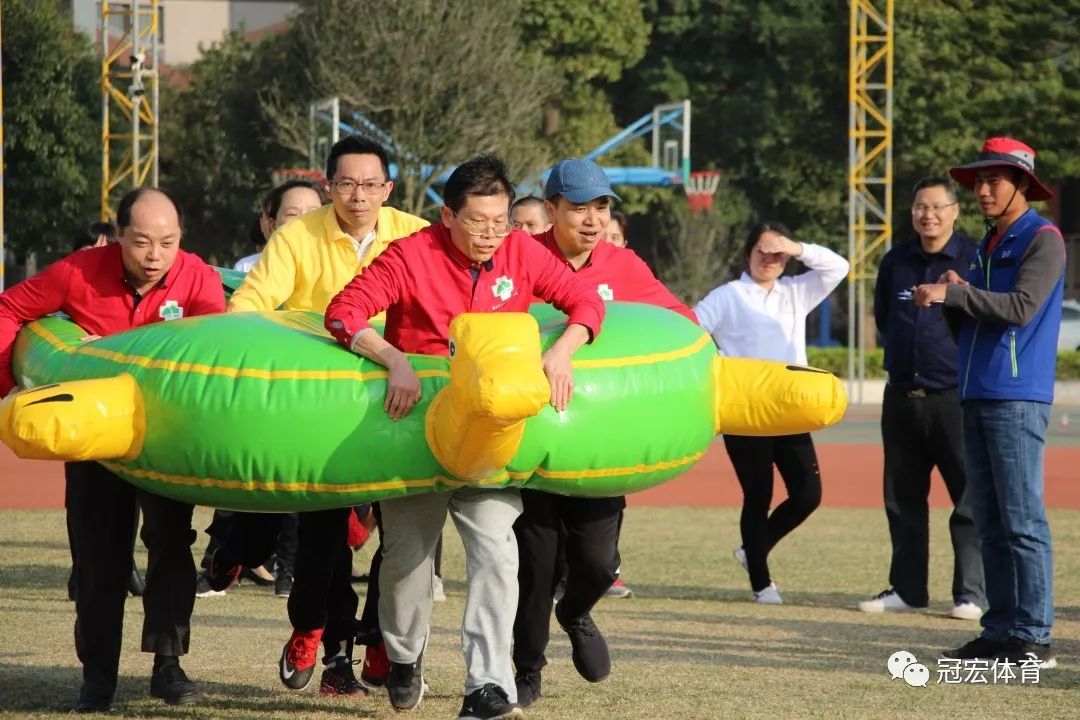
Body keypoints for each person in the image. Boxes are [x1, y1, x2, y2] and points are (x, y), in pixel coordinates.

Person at [324, 153, 606, 720]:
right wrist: (393, 359)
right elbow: (344, 312)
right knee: (407, 559)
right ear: (447, 215)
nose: (490, 235)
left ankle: (487, 684)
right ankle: (403, 657)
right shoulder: (411, 255)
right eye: (477, 221)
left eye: (500, 222)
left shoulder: (521, 251)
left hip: (491, 442)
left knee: (499, 553)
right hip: (418, 436)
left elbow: (585, 301)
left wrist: (561, 351)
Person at [213, 135, 427, 697]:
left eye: (371, 185)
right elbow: (247, 311)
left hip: (402, 403)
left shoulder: (415, 235)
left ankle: (382, 638)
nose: (359, 196)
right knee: (321, 536)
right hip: (319, 413)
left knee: (405, 534)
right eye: (346, 184)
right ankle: (313, 633)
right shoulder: (296, 238)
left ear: (389, 188)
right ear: (328, 185)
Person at [0, 188, 226, 712]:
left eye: (168, 242)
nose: (155, 255)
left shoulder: (198, 277)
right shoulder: (79, 270)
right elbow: (9, 307)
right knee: (100, 564)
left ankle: (168, 667)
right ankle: (96, 679)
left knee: (172, 548)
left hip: (166, 442)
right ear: (119, 234)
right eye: (142, 241)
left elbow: (215, 348)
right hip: (97, 440)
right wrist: (10, 380)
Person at [512, 158, 696, 709]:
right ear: (551, 210)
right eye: (578, 208)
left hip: (600, 449)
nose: (592, 220)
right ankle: (527, 670)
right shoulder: (521, 258)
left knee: (597, 564)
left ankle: (576, 611)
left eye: (601, 207)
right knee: (536, 567)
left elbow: (678, 320)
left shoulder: (623, 264)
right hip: (533, 444)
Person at [915, 137, 1063, 669]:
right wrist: (955, 293)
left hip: (1015, 396)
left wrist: (955, 294)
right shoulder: (988, 241)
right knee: (991, 521)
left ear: (1022, 184)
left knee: (1021, 519)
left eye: (993, 180)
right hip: (976, 391)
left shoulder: (1041, 238)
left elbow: (1021, 308)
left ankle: (1033, 637)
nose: (981, 190)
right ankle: (1000, 630)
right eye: (977, 181)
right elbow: (974, 321)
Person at [695, 222, 848, 604]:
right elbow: (691, 328)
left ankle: (752, 550)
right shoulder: (727, 296)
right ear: (748, 253)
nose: (769, 259)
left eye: (777, 253)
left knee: (808, 494)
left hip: (791, 407)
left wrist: (797, 246)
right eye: (762, 250)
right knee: (758, 495)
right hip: (746, 409)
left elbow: (838, 267)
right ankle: (762, 584)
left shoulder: (796, 292)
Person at [859, 178, 984, 620]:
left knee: (968, 498)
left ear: (954, 211)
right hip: (901, 397)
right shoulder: (896, 261)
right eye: (919, 208)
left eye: (936, 207)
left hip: (955, 398)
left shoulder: (973, 257)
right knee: (903, 498)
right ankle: (908, 589)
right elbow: (886, 319)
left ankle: (971, 594)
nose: (927, 215)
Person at [234, 179, 323, 272]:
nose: (304, 220)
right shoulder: (247, 269)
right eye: (292, 214)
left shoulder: (336, 268)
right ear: (272, 226)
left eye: (314, 213)